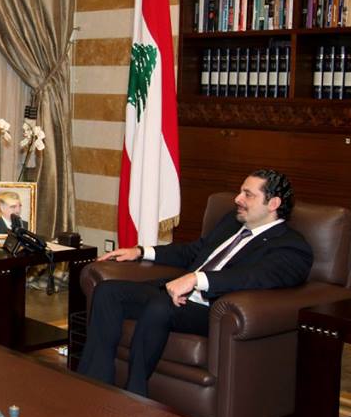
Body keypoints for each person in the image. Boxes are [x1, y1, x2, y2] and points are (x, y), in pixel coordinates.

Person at [78, 169, 312, 396]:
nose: (238, 199)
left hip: (213, 310)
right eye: (240, 191)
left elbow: (253, 277)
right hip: (176, 293)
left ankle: (135, 395)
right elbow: (193, 251)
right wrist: (140, 251)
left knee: (161, 305)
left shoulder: (290, 246)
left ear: (273, 204)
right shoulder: (232, 222)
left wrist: (196, 279)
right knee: (107, 291)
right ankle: (96, 386)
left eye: (248, 195)